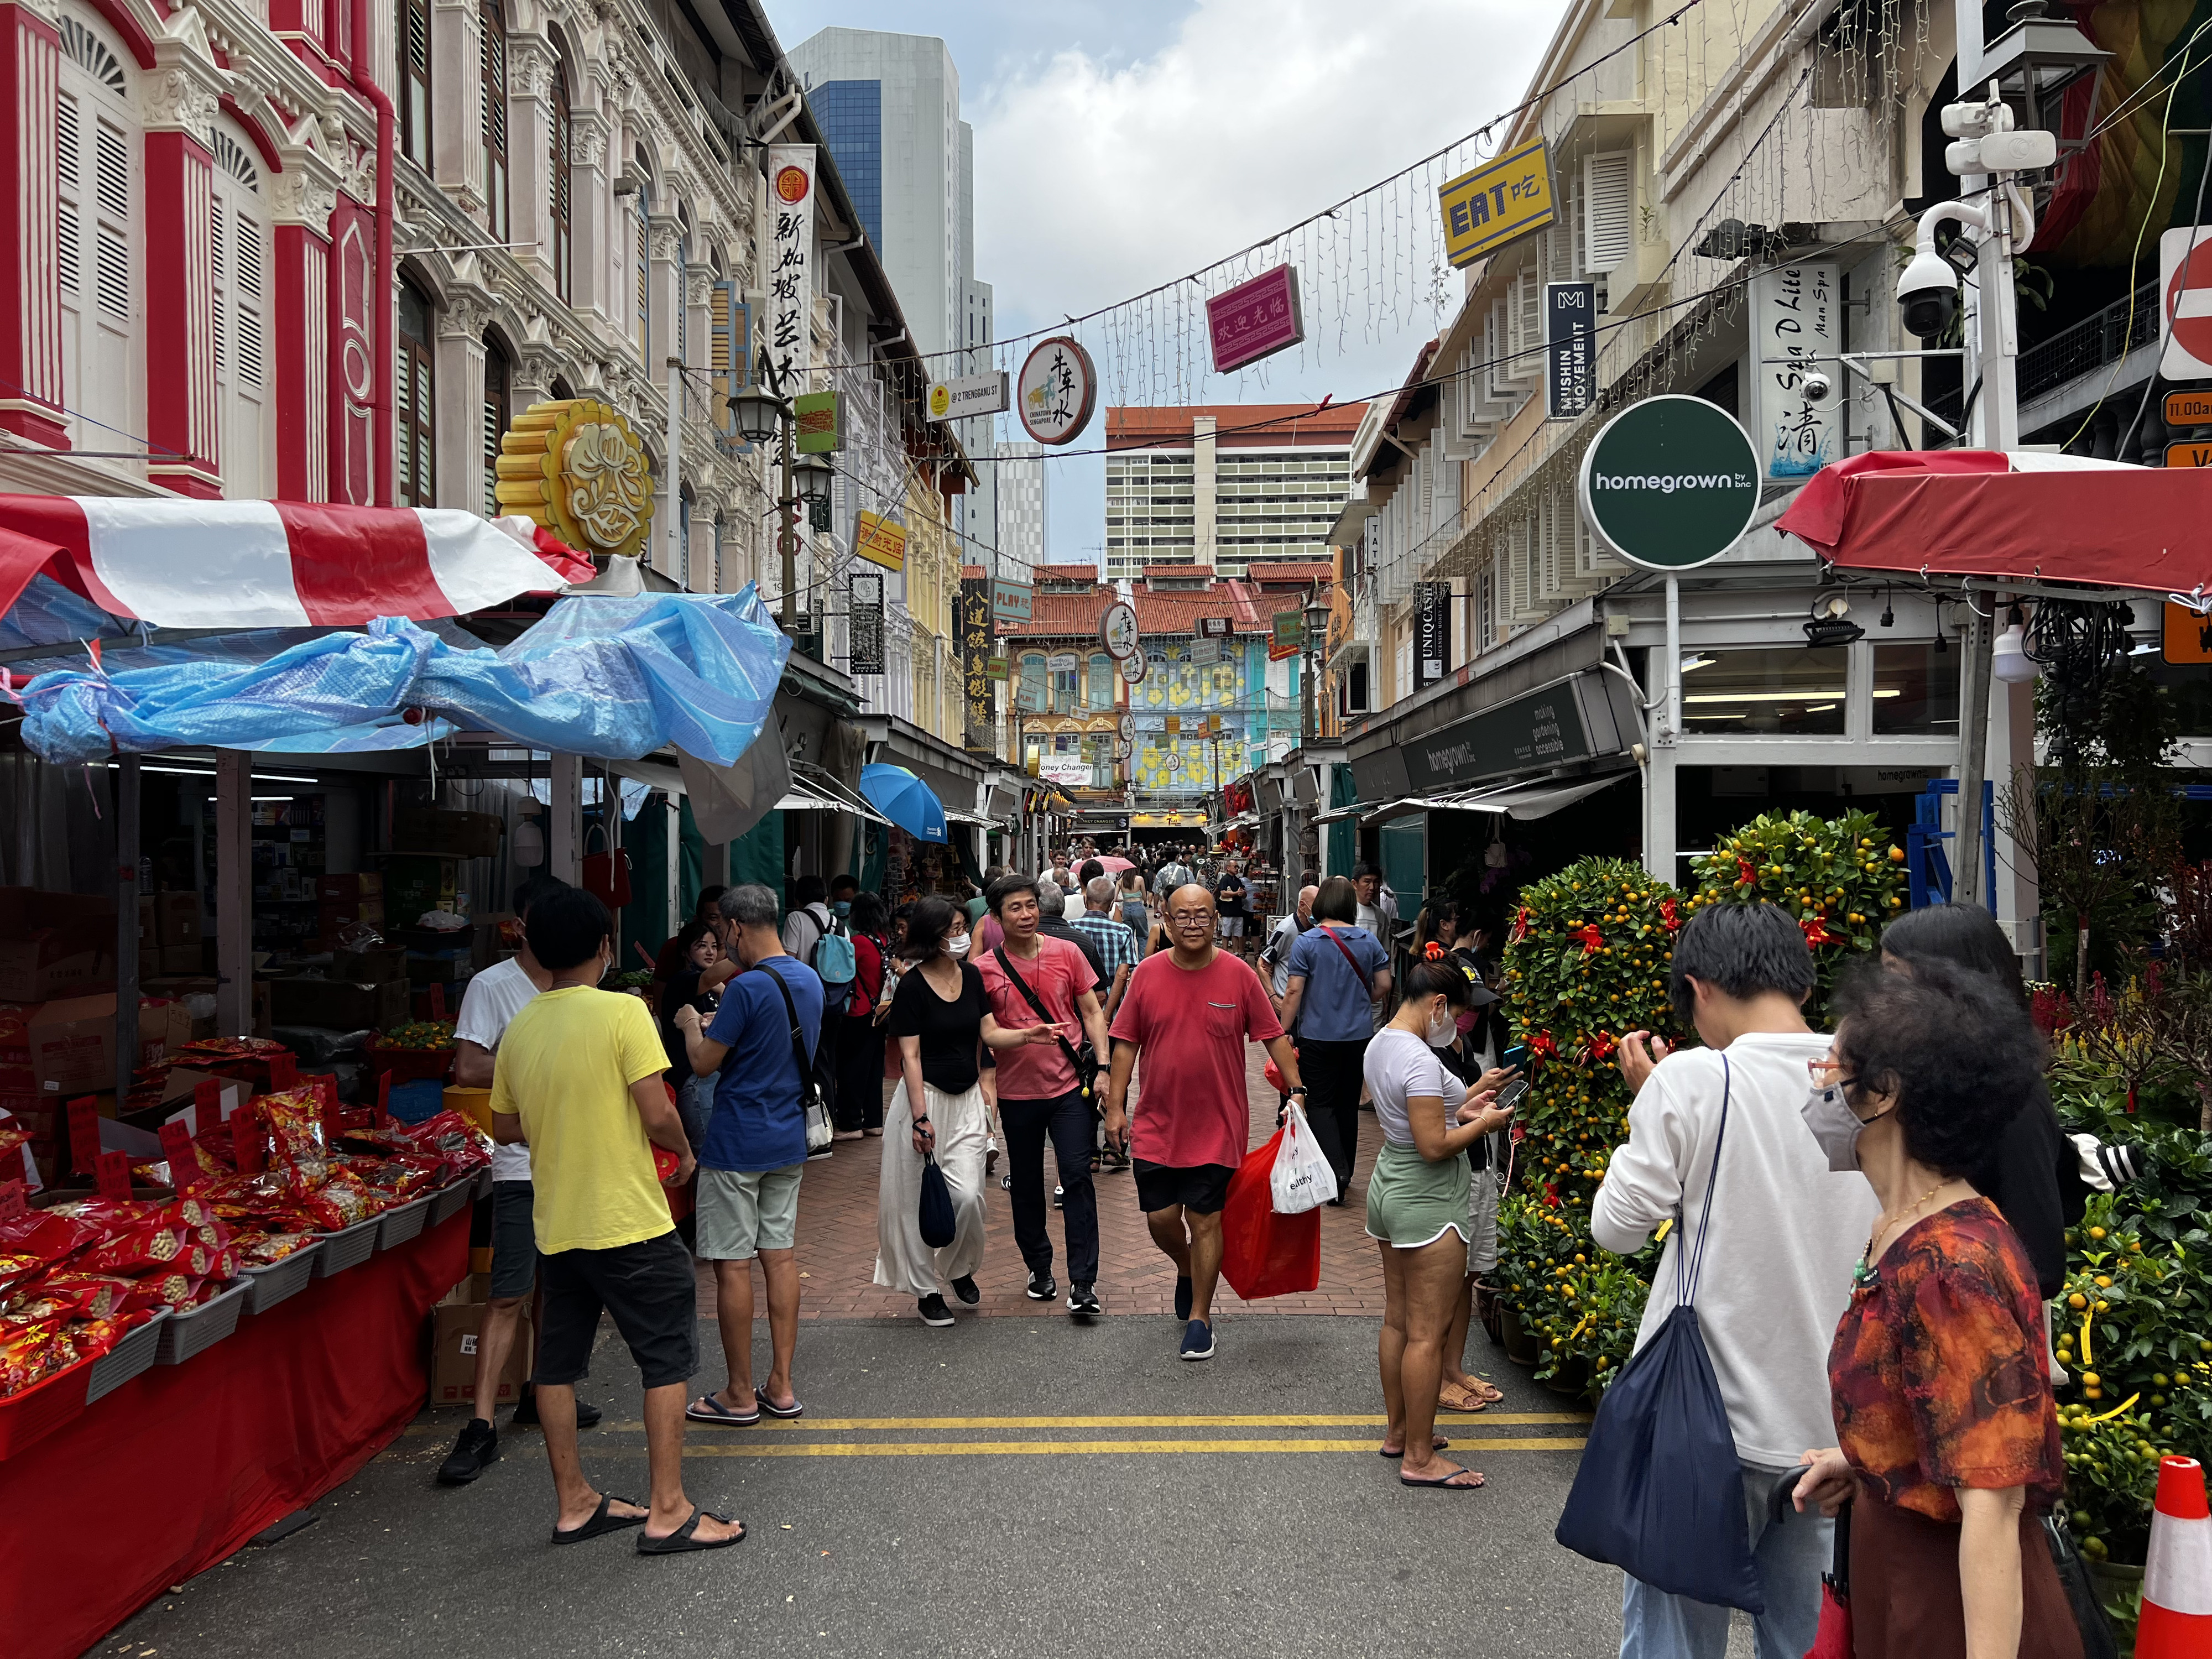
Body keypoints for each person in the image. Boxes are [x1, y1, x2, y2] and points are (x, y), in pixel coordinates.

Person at [1592, 902, 1877, 1658]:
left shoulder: (1691, 1078)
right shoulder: (1869, 1081)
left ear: (1701, 988)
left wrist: (1650, 1106)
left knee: (1674, 1643)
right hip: (1831, 1433)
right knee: (1808, 1639)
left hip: (1704, 1425)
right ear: (1801, 982)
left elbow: (1615, 1228)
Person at [1791, 963, 2078, 1659]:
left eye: (1831, 1064)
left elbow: (1994, 1498)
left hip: (1952, 1609)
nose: (1817, 1081)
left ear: (1884, 1091)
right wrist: (1868, 1461)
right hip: (1901, 1580)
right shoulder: (1906, 1229)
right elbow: (1942, 1408)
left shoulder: (1950, 1263)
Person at [487, 885, 742, 1553]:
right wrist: (685, 1152)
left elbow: (505, 1126)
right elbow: (657, 1110)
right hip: (630, 1220)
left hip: (557, 1224)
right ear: (604, 948)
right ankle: (668, 1511)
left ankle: (574, 1502)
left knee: (557, 1365)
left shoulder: (520, 1027)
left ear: (534, 951)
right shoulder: (623, 1013)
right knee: (664, 1360)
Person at [438, 876, 602, 1485]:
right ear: (521, 926)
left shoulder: (588, 983)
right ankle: (480, 1424)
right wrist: (533, 1060)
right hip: (518, 1167)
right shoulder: (492, 986)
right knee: (507, 1291)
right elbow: (469, 1064)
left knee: (557, 1290)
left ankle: (540, 1390)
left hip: (577, 1163)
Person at [1104, 883, 1302, 1361]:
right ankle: (1188, 1266)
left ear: (1217, 920)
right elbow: (1126, 1044)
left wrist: (1295, 1090)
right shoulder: (1147, 976)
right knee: (1161, 1218)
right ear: (1166, 923)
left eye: (1203, 915)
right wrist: (1115, 1106)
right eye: (1182, 917)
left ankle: (1201, 1318)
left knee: (1205, 1218)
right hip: (1157, 1122)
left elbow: (1274, 1036)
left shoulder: (1238, 975)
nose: (1193, 924)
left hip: (1220, 1124)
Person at [1364, 951, 1517, 1488]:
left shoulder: (1383, 1043)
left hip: (1391, 1187)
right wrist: (1489, 1122)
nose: (1455, 1023)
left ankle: (1401, 1432)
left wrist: (1472, 1096)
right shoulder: (1421, 1061)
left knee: (1398, 1320)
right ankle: (1421, 1458)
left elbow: (1426, 1114)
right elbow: (1433, 1144)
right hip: (1427, 1197)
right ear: (1435, 1005)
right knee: (1427, 1334)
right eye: (1452, 1012)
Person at [674, 885, 823, 1428]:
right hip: (787, 1137)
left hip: (736, 1140)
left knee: (732, 1266)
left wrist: (693, 1026)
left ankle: (739, 1393)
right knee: (779, 1258)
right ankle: (780, 1385)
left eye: (722, 934)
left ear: (737, 928)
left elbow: (705, 1064)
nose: (722, 943)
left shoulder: (746, 988)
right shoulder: (806, 977)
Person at [874, 896, 1057, 1324]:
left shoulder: (972, 977)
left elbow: (989, 1032)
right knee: (915, 1202)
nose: (961, 936)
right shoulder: (912, 988)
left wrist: (1030, 1035)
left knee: (969, 1196)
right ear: (932, 936)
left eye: (962, 926)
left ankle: (958, 1269)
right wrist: (921, 1118)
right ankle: (925, 1290)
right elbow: (911, 1057)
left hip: (969, 1101)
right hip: (925, 1102)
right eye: (954, 929)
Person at [1878, 903, 2070, 1301]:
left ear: (1953, 981)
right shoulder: (1925, 1079)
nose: (1882, 994)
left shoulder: (2013, 1096)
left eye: (1894, 974)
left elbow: (2043, 1266)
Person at [975, 872, 1114, 1317]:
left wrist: (1106, 1068)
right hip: (1017, 1094)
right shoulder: (983, 970)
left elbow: (1092, 1011)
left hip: (1070, 1087)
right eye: (1014, 908)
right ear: (997, 917)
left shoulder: (1068, 952)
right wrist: (1024, 1039)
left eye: (1030, 905)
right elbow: (987, 1035)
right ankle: (1039, 1267)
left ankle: (1084, 1283)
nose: (1026, 914)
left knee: (1077, 1177)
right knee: (1028, 1185)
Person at [1279, 877, 1392, 1202]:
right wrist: (1361, 997)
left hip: (1317, 1037)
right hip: (1358, 1038)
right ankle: (1346, 1172)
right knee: (1347, 1104)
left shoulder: (1308, 941)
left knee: (1320, 1104)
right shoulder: (1368, 941)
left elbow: (1293, 990)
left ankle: (1334, 1170)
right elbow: (1384, 984)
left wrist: (1285, 1030)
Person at [825, 892, 892, 1142]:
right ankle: (874, 1121)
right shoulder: (883, 940)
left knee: (851, 1069)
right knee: (874, 1069)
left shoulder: (859, 943)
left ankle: (851, 1122)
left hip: (857, 1012)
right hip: (880, 1012)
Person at [656, 919, 724, 1154]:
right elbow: (706, 979)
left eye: (714, 946)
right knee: (708, 1155)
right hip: (695, 1081)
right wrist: (742, 954)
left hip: (713, 1079)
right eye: (702, 946)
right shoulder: (682, 981)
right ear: (686, 952)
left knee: (715, 1154)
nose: (710, 952)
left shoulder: (713, 988)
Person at [1071, 875, 1140, 1021]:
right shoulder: (1124, 932)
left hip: (1078, 1010)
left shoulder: (1071, 928)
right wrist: (1106, 1015)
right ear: (1111, 905)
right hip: (1112, 1011)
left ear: (1085, 901)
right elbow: (1122, 976)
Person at [1035, 879, 1113, 1002]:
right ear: (1063, 906)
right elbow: (1101, 994)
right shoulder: (1084, 943)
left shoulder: (1023, 940)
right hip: (1074, 1019)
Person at [1261, 883, 1319, 1004]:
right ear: (1302, 906)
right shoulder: (1286, 930)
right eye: (1316, 906)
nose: (1320, 910)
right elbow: (1262, 964)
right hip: (1286, 1001)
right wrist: (1274, 999)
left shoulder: (1315, 927)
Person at [781, 873, 832, 965]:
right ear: (826, 900)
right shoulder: (841, 926)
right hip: (837, 979)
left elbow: (788, 959)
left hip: (805, 979)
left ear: (797, 902)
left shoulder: (795, 918)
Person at [1118, 867, 1152, 959]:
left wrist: (1125, 898)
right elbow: (1145, 898)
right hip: (1138, 908)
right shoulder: (1140, 879)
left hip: (1126, 908)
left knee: (1128, 937)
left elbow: (1115, 898)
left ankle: (1130, 964)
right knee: (1143, 936)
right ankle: (1142, 962)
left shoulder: (1120, 881)